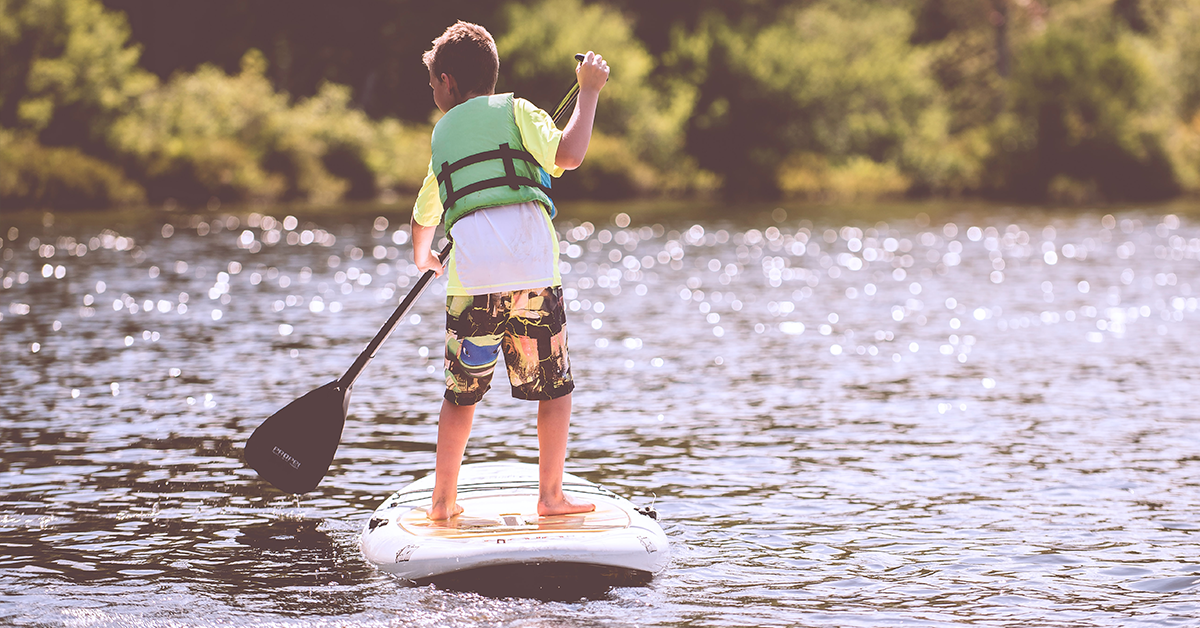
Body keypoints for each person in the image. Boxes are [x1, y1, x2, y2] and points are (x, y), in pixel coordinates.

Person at [409, 21, 609, 521]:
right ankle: (550, 497)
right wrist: (588, 95)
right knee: (555, 389)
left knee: (461, 397)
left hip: (473, 285)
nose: (432, 90)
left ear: (449, 82)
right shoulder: (519, 111)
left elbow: (425, 213)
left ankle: (442, 502)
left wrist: (423, 256)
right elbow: (570, 153)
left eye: (433, 81)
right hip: (534, 278)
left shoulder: (442, 135)